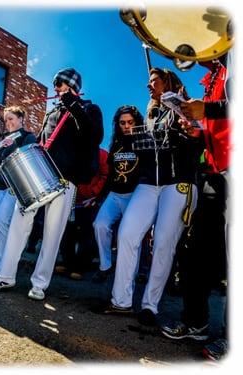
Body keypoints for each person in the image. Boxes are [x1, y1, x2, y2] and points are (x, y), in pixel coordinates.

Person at [0, 68, 103, 300]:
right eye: (55, 84)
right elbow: (43, 142)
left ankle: (39, 284)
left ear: (71, 86)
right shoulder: (53, 112)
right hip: (40, 174)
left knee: (52, 234)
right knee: (19, 222)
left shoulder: (89, 108)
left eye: (60, 85)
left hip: (66, 179)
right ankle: (5, 276)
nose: (55, 89)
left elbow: (93, 135)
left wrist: (73, 105)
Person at [100, 68, 204, 327]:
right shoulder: (151, 116)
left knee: (163, 244)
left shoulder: (186, 107)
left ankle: (150, 305)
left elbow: (198, 144)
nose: (148, 86)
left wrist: (189, 133)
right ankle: (121, 301)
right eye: (147, 82)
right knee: (127, 234)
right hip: (148, 183)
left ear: (167, 82)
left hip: (178, 181)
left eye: (153, 82)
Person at [161, 58, 230, 360]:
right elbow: (217, 127)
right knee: (194, 251)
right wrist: (196, 129)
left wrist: (210, 110)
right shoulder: (212, 77)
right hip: (214, 174)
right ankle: (196, 322)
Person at [0, 106, 36, 276]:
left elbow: (27, 158)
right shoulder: (5, 138)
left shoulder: (28, 136)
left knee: (0, 222)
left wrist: (12, 146)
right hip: (0, 185)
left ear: (21, 119)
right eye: (6, 119)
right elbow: (0, 164)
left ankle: (4, 265)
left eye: (11, 118)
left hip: (15, 187)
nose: (8, 122)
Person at [90, 105, 143, 283]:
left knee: (128, 235)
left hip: (134, 196)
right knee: (100, 225)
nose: (126, 126)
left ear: (137, 122)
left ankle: (132, 272)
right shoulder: (116, 145)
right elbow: (111, 174)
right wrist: (98, 198)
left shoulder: (143, 143)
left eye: (130, 122)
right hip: (114, 194)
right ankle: (105, 266)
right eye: (122, 123)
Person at [56, 147, 108, 280]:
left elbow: (106, 175)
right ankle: (68, 263)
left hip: (89, 202)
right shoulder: (73, 151)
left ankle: (80, 267)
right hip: (71, 199)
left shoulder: (101, 154)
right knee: (67, 232)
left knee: (87, 235)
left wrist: (95, 194)